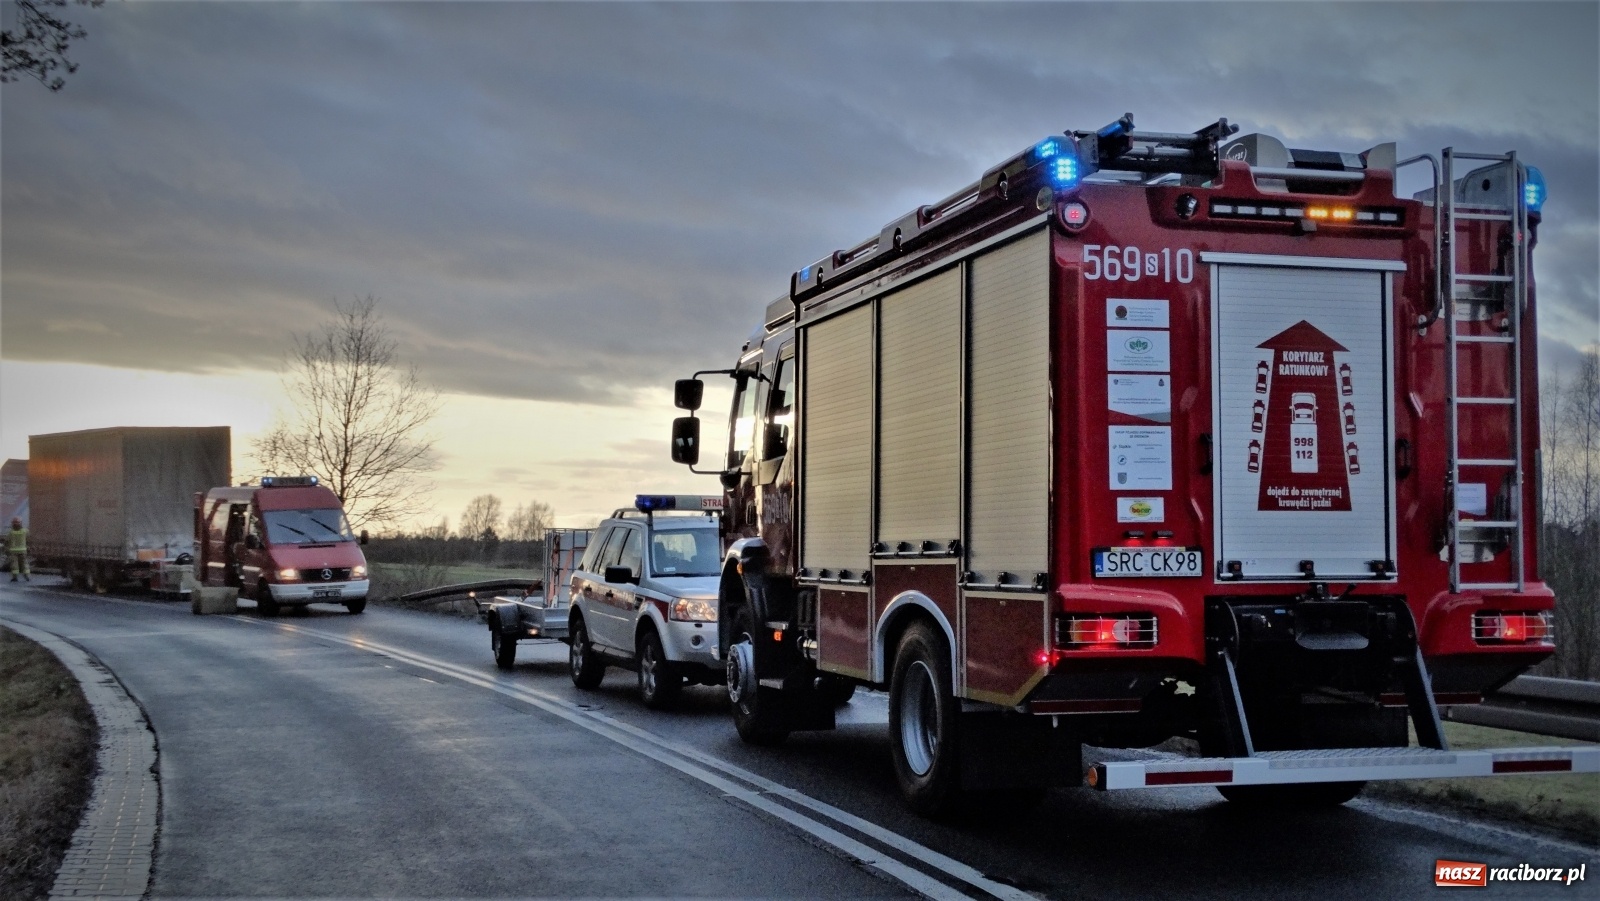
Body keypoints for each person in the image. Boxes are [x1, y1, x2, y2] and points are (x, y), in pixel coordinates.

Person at [7, 517, 28, 582]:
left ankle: (15, 577)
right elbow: (28, 538)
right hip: (23, 550)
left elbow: (7, 541)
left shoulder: (11, 532)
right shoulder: (24, 531)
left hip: (13, 551)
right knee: (24, 564)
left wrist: (6, 548)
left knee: (14, 565)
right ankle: (26, 576)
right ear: (21, 523)